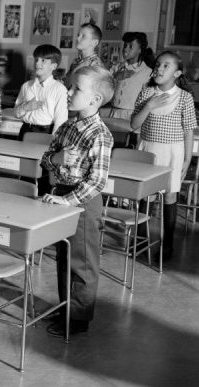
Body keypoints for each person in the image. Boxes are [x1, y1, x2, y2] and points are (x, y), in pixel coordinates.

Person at [41, 66, 115, 337]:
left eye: (76, 89)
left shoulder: (100, 134)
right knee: (64, 256)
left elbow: (97, 182)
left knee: (82, 262)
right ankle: (65, 308)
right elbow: (46, 159)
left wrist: (68, 201)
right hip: (61, 194)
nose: (69, 92)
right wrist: (57, 159)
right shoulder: (67, 126)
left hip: (83, 201)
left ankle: (78, 318)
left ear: (95, 100)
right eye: (70, 87)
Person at [131, 51, 197, 261]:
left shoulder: (185, 97)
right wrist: (149, 106)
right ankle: (139, 239)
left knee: (169, 195)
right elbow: (134, 124)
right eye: (158, 64)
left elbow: (189, 131)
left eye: (166, 66)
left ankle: (167, 245)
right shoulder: (146, 91)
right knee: (145, 195)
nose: (159, 68)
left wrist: (187, 159)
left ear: (177, 73)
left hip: (172, 152)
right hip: (148, 150)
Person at [14, 44, 68, 140]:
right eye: (36, 59)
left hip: (45, 133)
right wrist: (25, 107)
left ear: (54, 66)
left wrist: (54, 144)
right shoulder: (26, 86)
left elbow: (61, 121)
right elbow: (16, 113)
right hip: (25, 130)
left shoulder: (60, 89)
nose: (37, 63)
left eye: (43, 60)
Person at [106, 32, 154, 123]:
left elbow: (148, 99)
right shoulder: (116, 67)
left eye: (131, 46)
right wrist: (115, 77)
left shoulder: (147, 72)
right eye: (125, 45)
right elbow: (104, 86)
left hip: (132, 116)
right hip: (114, 113)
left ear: (140, 50)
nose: (125, 49)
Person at [66, 23, 104, 88]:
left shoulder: (95, 65)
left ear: (94, 43)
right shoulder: (76, 61)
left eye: (83, 36)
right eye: (78, 35)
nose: (78, 38)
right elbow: (67, 83)